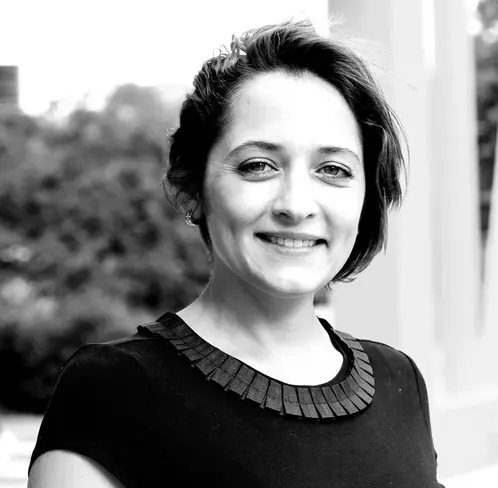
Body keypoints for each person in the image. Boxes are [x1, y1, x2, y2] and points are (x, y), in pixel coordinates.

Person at [28, 20, 445, 488]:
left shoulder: (399, 380)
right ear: (192, 189)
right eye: (258, 165)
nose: (296, 205)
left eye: (333, 169)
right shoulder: (111, 392)